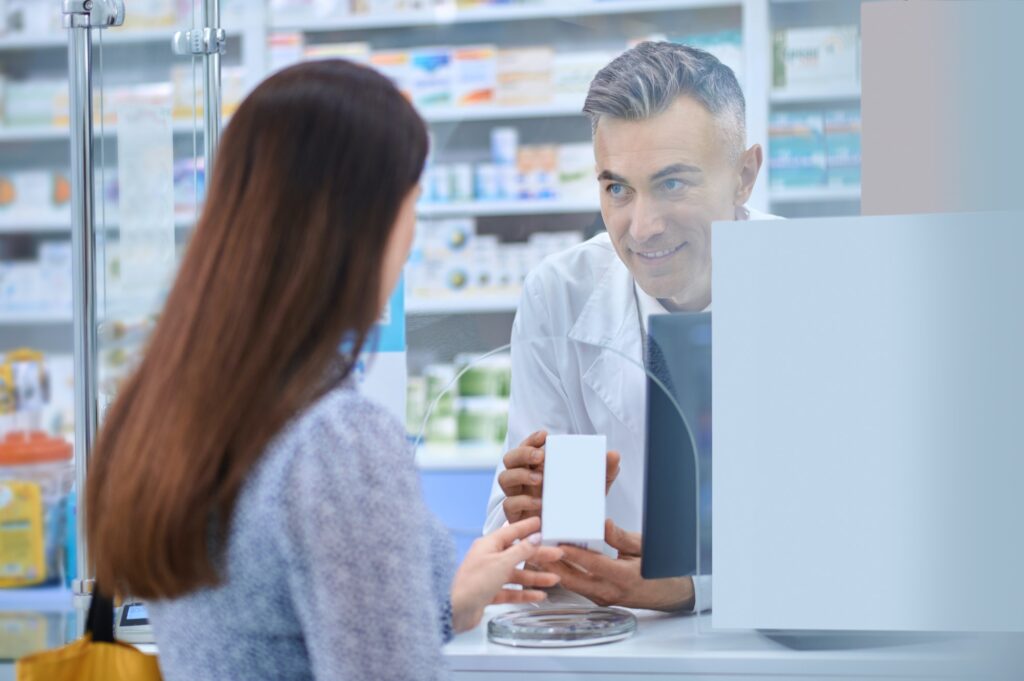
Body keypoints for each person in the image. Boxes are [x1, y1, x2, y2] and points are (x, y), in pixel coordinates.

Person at [85, 60, 563, 681]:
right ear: (361, 223)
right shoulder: (337, 443)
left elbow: (269, 630)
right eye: (411, 203)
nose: (412, 235)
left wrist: (440, 606)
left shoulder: (174, 409)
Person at [484, 42, 781, 611]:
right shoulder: (559, 294)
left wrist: (695, 587)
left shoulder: (815, 283)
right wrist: (531, 514)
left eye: (673, 184)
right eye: (617, 188)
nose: (641, 228)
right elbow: (515, 548)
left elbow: (856, 536)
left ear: (744, 176)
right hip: (616, 644)